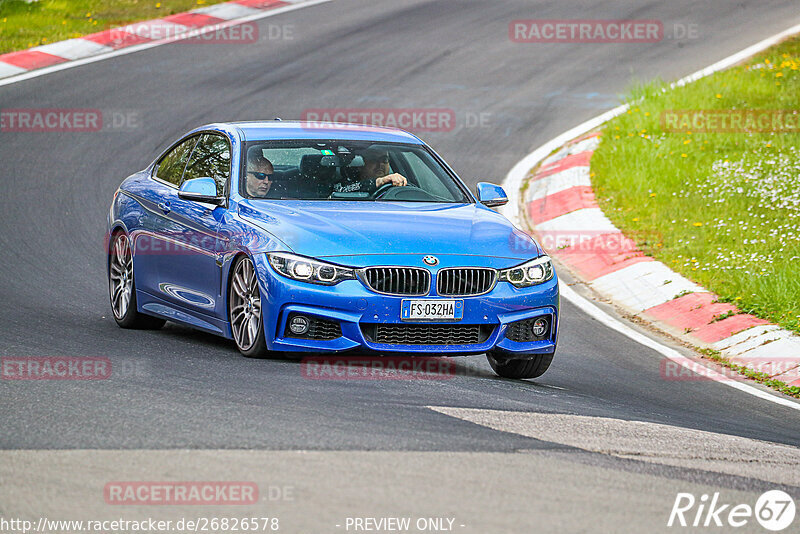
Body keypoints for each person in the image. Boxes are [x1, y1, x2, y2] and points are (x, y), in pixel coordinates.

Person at [333, 147, 407, 194]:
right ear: (360, 163)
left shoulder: (397, 185)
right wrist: (379, 182)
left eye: (384, 159)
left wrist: (401, 182)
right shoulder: (342, 185)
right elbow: (342, 191)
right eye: (373, 159)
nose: (380, 164)